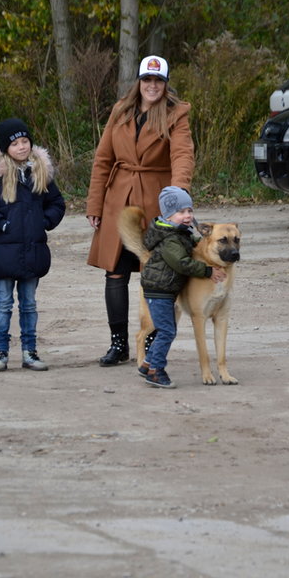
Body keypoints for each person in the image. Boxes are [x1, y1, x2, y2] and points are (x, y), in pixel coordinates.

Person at [86, 55, 194, 367]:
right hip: (118, 199)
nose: (152, 86)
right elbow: (103, 158)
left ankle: (149, 342)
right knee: (115, 272)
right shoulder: (121, 110)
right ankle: (118, 344)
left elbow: (183, 156)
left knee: (157, 276)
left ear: (165, 84)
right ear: (139, 81)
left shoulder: (176, 114)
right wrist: (95, 204)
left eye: (158, 81)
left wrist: (178, 200)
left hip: (156, 201)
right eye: (147, 79)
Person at [0, 118, 66, 372]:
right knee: (2, 304)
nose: (22, 147)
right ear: (6, 149)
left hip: (32, 253)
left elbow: (57, 203)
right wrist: (1, 224)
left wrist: (43, 221)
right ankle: (0, 352)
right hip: (4, 254)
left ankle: (30, 352)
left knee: (29, 305)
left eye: (25, 141)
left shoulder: (40, 174)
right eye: (15, 143)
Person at [137, 186, 226, 389]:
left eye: (189, 211)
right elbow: (182, 263)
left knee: (167, 329)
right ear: (168, 215)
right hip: (158, 290)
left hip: (165, 289)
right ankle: (156, 372)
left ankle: (147, 365)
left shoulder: (179, 233)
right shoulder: (170, 238)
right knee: (167, 332)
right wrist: (208, 271)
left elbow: (194, 243)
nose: (187, 216)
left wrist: (206, 241)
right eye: (181, 212)